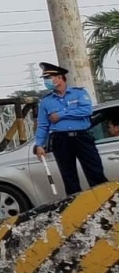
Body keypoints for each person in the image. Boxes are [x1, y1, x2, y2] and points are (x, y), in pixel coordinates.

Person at [33, 61, 108, 196]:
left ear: (59, 77)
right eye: (45, 79)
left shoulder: (79, 93)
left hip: (81, 136)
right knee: (68, 176)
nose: (46, 81)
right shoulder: (46, 101)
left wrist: (61, 115)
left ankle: (103, 200)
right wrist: (39, 144)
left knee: (95, 171)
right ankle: (76, 203)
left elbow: (86, 110)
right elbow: (43, 125)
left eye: (48, 78)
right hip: (60, 139)